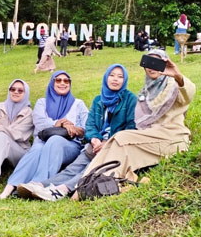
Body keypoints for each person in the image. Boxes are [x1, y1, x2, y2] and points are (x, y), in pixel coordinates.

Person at [17, 64, 136, 201]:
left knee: (91, 168)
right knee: (74, 168)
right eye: (112, 75)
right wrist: (95, 139)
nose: (115, 79)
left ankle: (61, 190)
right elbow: (90, 126)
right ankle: (40, 185)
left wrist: (107, 143)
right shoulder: (99, 100)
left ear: (124, 80)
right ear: (106, 77)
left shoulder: (130, 99)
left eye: (120, 77)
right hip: (95, 145)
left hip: (115, 146)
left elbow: (131, 127)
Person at [81, 49, 196, 185]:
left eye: (157, 62)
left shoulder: (173, 85)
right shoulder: (145, 91)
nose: (152, 67)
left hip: (172, 137)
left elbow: (188, 95)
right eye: (149, 62)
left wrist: (178, 75)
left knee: (121, 138)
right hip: (149, 137)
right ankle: (88, 182)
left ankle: (99, 182)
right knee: (116, 142)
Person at [0, 71, 88, 199]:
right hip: (42, 141)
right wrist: (59, 124)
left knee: (55, 140)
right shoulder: (42, 102)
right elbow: (39, 123)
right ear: (52, 82)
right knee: (37, 150)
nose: (62, 83)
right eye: (58, 80)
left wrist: (73, 129)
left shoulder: (78, 104)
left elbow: (86, 128)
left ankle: (38, 185)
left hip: (69, 146)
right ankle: (10, 187)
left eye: (66, 81)